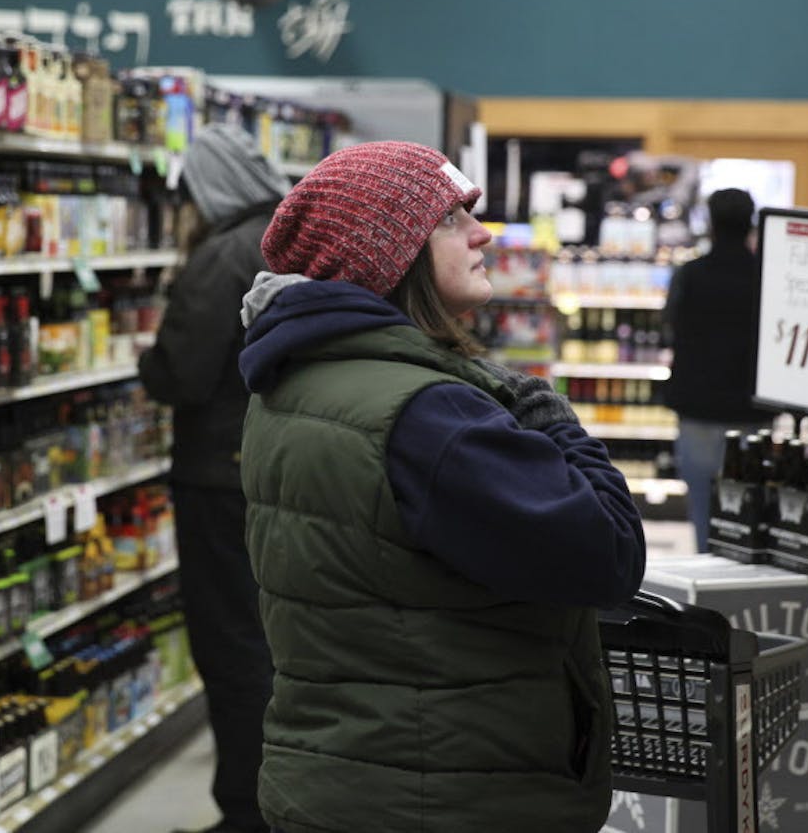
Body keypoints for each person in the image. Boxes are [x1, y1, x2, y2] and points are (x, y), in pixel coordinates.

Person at [236, 141, 646, 833]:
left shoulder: (293, 383)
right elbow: (609, 553)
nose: (483, 233)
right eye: (452, 218)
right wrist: (546, 412)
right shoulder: (431, 417)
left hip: (337, 777)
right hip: (446, 794)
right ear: (390, 252)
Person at [137, 123, 287, 833]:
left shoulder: (220, 254)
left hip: (218, 476)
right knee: (271, 642)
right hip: (275, 468)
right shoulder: (287, 240)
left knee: (229, 646)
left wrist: (148, 363)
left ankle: (245, 811)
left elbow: (183, 375)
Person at [662, 188, 776, 552]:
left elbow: (670, 326)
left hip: (698, 410)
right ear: (751, 225)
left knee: (703, 511)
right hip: (752, 411)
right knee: (748, 513)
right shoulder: (767, 278)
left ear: (709, 224)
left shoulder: (690, 275)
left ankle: (708, 592)